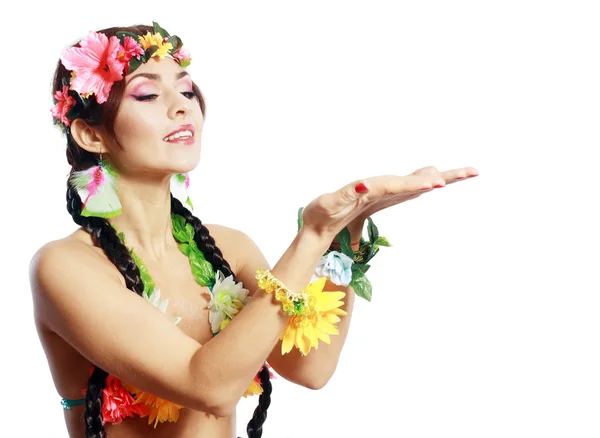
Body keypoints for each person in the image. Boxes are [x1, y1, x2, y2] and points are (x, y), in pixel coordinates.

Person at [29, 22, 479, 438]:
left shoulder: (227, 249)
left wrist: (347, 231)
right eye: (147, 96)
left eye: (186, 91)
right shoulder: (67, 268)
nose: (181, 106)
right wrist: (311, 236)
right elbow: (206, 385)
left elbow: (310, 368)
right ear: (90, 135)